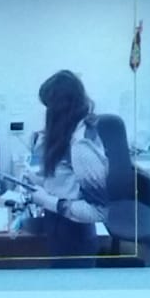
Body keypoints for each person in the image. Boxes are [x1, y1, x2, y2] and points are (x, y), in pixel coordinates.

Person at [19, 70, 108, 259]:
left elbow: (98, 211)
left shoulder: (82, 146)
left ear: (61, 109)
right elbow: (67, 183)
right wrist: (38, 181)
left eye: (49, 108)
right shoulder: (68, 134)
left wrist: (47, 200)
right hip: (58, 227)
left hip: (75, 237)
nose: (47, 114)